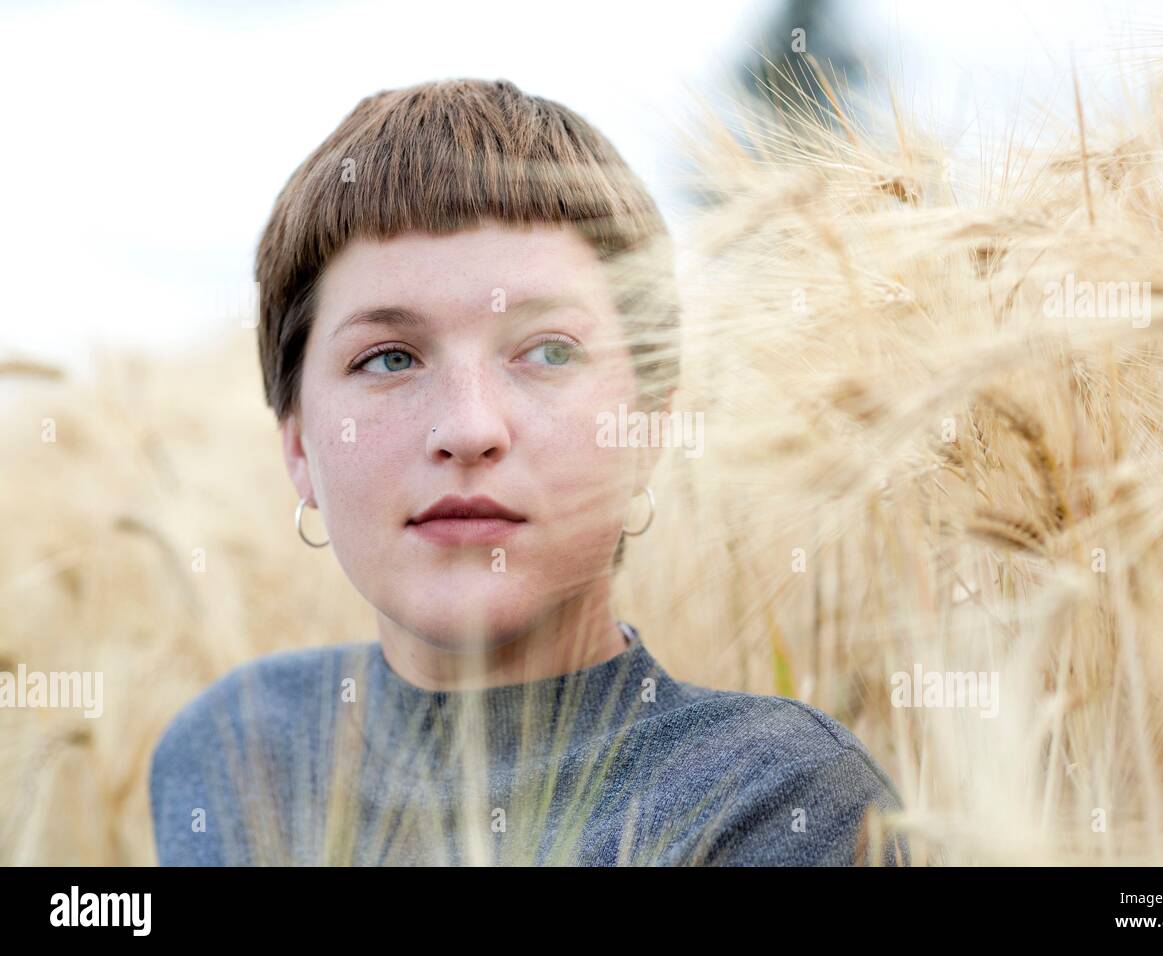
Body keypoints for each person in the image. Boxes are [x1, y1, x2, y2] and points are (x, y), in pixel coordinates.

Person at [148, 78, 908, 866]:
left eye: (549, 351)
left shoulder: (779, 801)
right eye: (389, 358)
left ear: (647, 426)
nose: (470, 429)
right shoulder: (228, 754)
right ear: (299, 447)